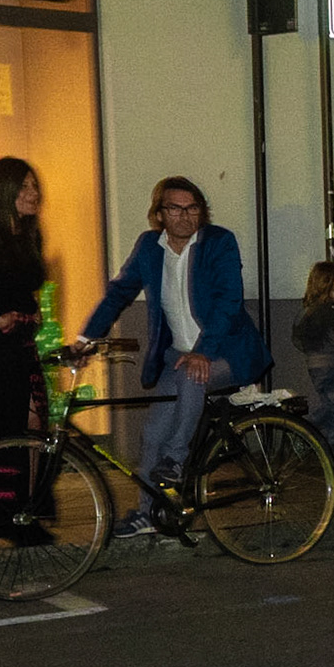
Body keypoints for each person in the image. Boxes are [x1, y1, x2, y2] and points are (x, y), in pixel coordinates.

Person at [77, 177, 272, 538]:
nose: (184, 216)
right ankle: (147, 513)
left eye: (192, 208)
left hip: (226, 352)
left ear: (201, 211)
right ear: (159, 214)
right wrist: (85, 336)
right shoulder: (150, 247)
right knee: (152, 433)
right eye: (175, 208)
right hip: (178, 357)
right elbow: (119, 292)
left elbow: (229, 302)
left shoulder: (219, 242)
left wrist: (203, 351)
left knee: (190, 377)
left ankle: (178, 461)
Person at [0, 159, 47, 543]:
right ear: (4, 191)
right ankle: (6, 514)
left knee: (33, 425)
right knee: (5, 428)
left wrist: (32, 310)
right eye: (24, 187)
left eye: (34, 186)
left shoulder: (26, 234)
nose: (32, 194)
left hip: (22, 342)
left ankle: (22, 510)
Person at [292, 261, 334, 456]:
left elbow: (297, 339)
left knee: (332, 405)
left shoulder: (308, 310)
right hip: (331, 365)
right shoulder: (328, 312)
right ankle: (329, 447)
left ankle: (306, 433)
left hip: (315, 365)